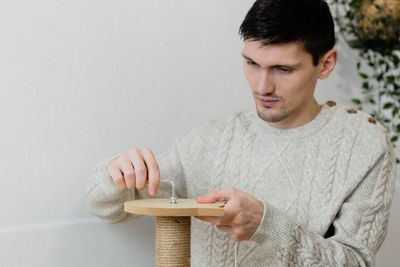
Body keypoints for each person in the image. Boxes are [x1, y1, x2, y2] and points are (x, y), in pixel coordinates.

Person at [86, 0, 396, 266]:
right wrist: (118, 174)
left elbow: (355, 261)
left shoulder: (365, 145)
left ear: (325, 64)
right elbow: (106, 208)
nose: (262, 87)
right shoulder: (212, 139)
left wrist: (266, 225)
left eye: (283, 69)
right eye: (251, 63)